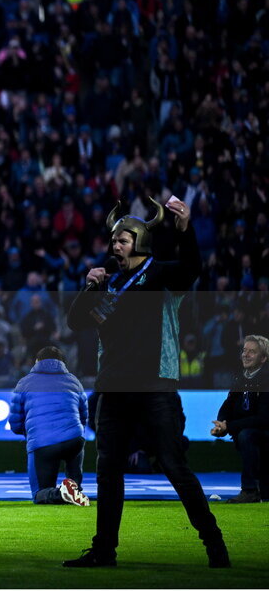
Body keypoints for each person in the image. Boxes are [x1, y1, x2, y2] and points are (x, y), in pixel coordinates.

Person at [66, 198, 229, 568]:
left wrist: (184, 227)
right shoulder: (108, 283)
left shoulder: (160, 274)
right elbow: (76, 322)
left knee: (173, 465)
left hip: (155, 385)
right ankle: (103, 550)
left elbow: (191, 268)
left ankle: (214, 543)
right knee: (107, 471)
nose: (115, 247)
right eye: (113, 241)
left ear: (139, 242)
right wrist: (88, 287)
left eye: (122, 241)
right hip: (113, 387)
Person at [9, 346, 90, 506]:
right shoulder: (74, 381)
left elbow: (15, 422)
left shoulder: (25, 383)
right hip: (74, 440)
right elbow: (83, 416)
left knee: (40, 494)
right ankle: (74, 490)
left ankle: (61, 493)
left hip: (42, 444)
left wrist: (26, 433)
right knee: (75, 480)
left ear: (37, 362)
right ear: (62, 362)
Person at [211, 335, 269, 503]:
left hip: (263, 433)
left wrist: (230, 427)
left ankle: (250, 490)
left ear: (263, 358)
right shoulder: (242, 377)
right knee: (245, 434)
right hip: (250, 432)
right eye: (244, 350)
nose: (246, 355)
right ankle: (255, 489)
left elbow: (264, 419)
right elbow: (228, 404)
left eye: (252, 352)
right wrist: (222, 423)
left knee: (246, 435)